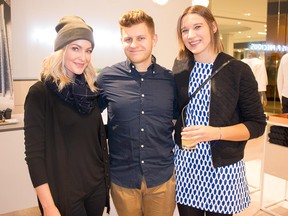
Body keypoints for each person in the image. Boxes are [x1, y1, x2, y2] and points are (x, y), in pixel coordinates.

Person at [172, 5, 266, 216]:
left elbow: (257, 124)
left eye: (197, 27)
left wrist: (215, 133)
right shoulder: (180, 67)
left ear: (213, 27)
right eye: (184, 30)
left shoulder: (238, 70)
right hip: (186, 165)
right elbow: (175, 111)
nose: (191, 35)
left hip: (222, 168)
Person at [24, 16, 110, 216]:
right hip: (63, 192)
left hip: (96, 187)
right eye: (75, 48)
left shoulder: (91, 91)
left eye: (88, 50)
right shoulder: (40, 93)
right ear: (61, 50)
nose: (83, 57)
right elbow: (34, 156)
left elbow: (92, 140)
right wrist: (48, 206)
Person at [97, 10, 177, 216]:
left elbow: (178, 122)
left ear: (154, 38)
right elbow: (87, 118)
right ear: (121, 41)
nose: (134, 44)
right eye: (128, 39)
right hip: (123, 178)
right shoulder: (107, 77)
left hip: (161, 178)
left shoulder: (170, 80)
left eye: (141, 38)